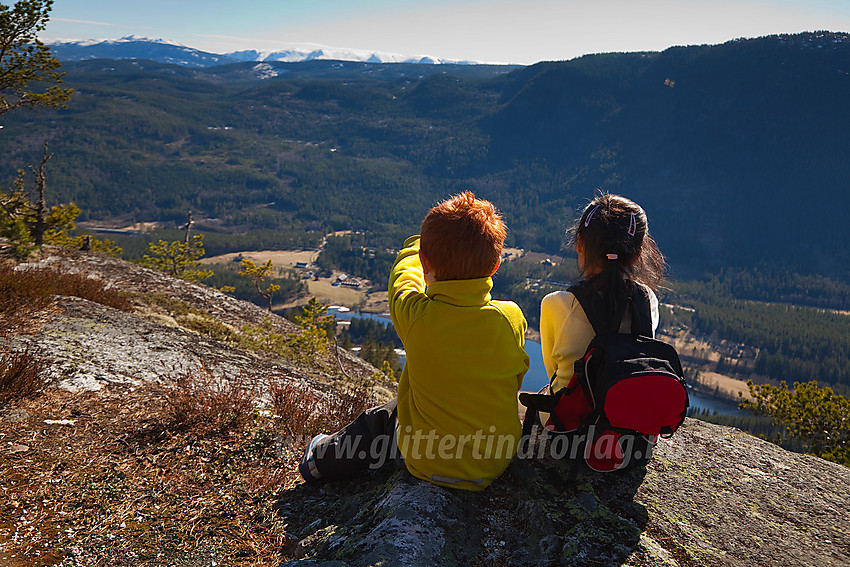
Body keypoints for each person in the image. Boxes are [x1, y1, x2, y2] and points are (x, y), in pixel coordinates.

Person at [299, 191, 530, 491]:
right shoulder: (511, 317)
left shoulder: (418, 316)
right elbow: (515, 375)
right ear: (496, 264)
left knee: (380, 420)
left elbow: (402, 283)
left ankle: (318, 460)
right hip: (496, 461)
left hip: (427, 463)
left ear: (425, 261)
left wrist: (415, 247)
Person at [540, 192, 668, 399]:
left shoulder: (557, 304)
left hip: (571, 422)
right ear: (637, 254)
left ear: (579, 243)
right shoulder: (647, 300)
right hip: (628, 418)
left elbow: (553, 373)